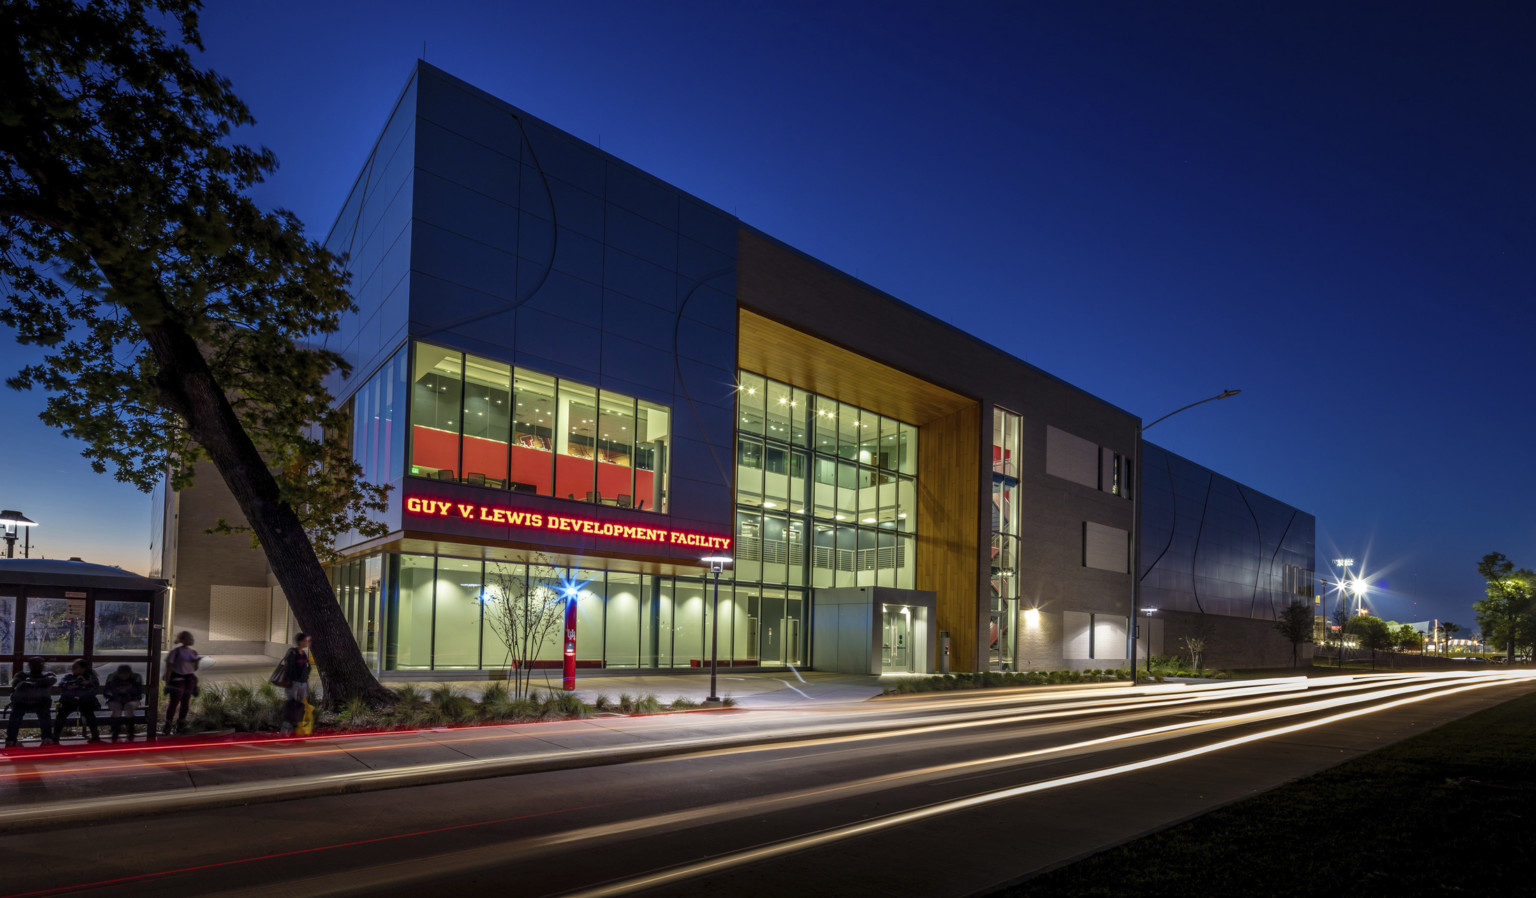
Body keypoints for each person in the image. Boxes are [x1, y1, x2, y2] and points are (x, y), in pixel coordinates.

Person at [5, 657, 58, 748]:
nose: (37, 665)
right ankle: (11, 739)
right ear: (30, 665)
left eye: (39, 663)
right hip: (23, 702)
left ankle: (47, 738)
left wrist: (29, 683)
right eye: (34, 663)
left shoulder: (48, 675)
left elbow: (51, 680)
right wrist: (37, 684)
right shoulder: (21, 674)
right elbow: (15, 683)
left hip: (39, 703)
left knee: (44, 715)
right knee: (15, 716)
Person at [162, 631, 201, 735]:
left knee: (185, 703)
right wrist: (167, 682)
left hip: (189, 680)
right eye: (190, 638)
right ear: (182, 640)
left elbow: (194, 669)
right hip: (177, 680)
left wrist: (196, 662)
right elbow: (169, 667)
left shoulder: (193, 652)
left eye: (192, 638)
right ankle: (168, 725)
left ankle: (180, 725)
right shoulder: (175, 651)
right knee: (174, 703)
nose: (192, 640)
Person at [56, 659, 102, 743]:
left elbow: (94, 689)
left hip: (85, 701)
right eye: (73, 667)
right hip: (70, 701)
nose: (73, 669)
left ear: (83, 668)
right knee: (61, 715)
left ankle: (95, 735)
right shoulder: (69, 677)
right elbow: (61, 684)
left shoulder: (90, 677)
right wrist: (79, 684)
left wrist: (77, 688)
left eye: (76, 667)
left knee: (89, 713)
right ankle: (55, 737)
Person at [278, 633, 313, 736]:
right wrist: (295, 678)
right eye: (306, 640)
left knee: (299, 708)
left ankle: (295, 732)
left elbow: (307, 667)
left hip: (303, 683)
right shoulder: (292, 652)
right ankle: (284, 732)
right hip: (294, 683)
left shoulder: (304, 653)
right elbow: (289, 668)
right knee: (292, 707)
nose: (308, 642)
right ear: (300, 642)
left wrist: (306, 677)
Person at [101, 664, 145, 742]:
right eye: (122, 674)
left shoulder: (135, 678)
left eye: (126, 674)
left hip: (132, 700)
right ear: (118, 673)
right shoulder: (112, 678)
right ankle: (115, 732)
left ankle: (130, 732)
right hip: (114, 699)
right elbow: (106, 692)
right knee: (117, 709)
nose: (124, 676)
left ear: (129, 673)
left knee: (129, 707)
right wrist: (115, 696)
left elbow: (139, 692)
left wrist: (130, 696)